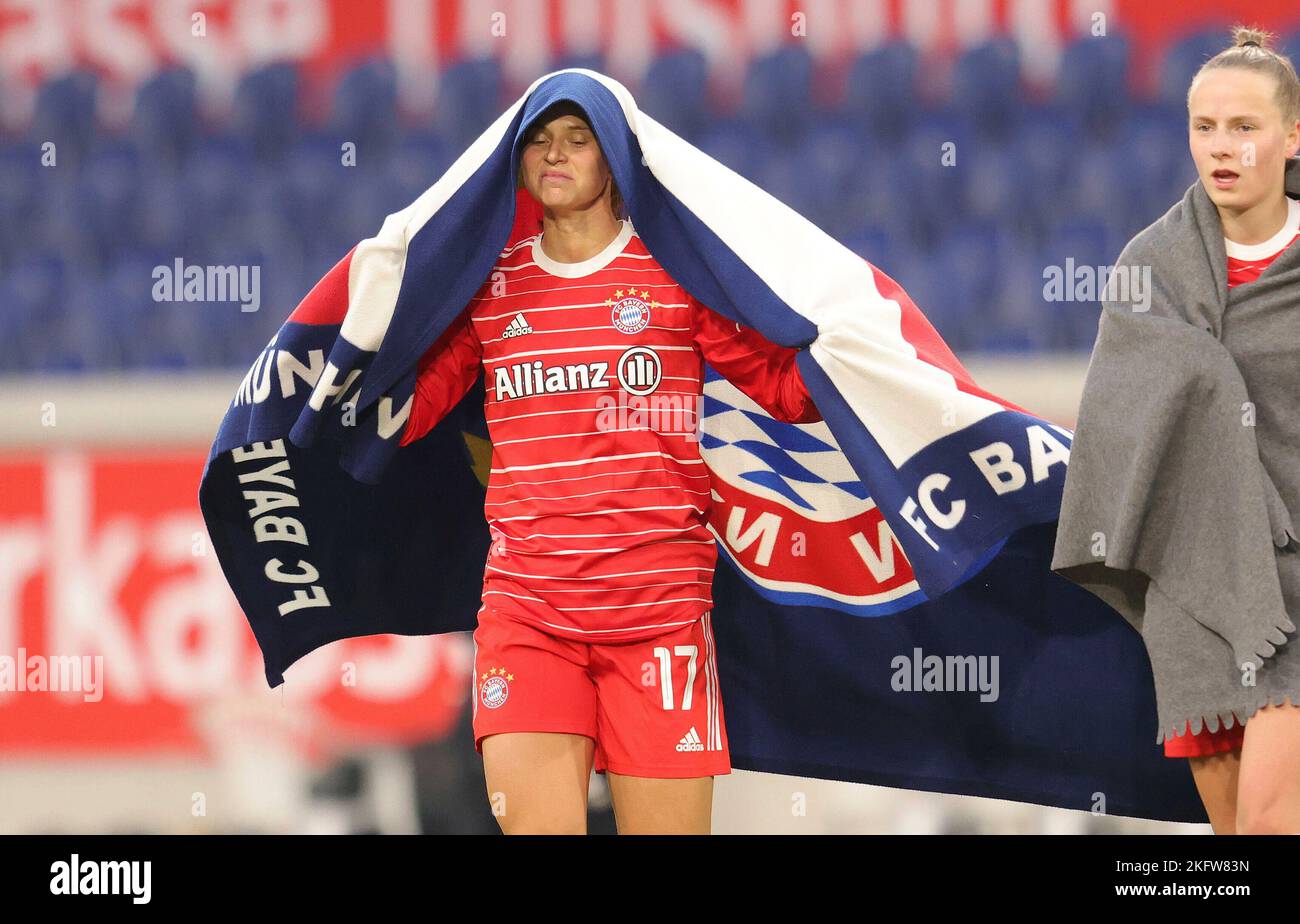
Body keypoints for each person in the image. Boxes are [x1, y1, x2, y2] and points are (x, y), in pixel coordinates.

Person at [398, 99, 820, 834]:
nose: (554, 156)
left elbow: (785, 390)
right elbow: (406, 411)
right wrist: (354, 345)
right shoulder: (488, 287)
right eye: (538, 142)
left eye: (576, 140)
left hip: (660, 622)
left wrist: (855, 344)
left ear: (615, 159)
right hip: (530, 617)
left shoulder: (676, 274)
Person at [1159, 26, 1300, 834]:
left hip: (1295, 598)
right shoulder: (1152, 271)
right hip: (1201, 607)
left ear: (1290, 135)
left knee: (1268, 823)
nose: (1223, 146)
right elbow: (1129, 431)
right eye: (1205, 127)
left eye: (1244, 127)